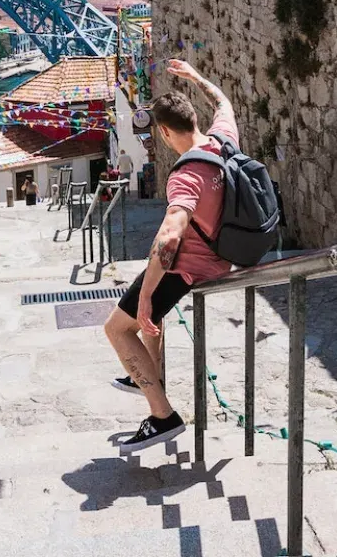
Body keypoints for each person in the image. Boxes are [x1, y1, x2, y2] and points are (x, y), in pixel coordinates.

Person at [104, 58, 239, 454]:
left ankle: (162, 416)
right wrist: (196, 77)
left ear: (163, 133)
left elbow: (170, 236)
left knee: (118, 327)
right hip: (221, 255)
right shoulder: (221, 140)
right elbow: (224, 103)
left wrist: (145, 294)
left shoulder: (185, 175)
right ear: (193, 118)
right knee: (149, 318)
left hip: (190, 268)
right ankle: (149, 372)